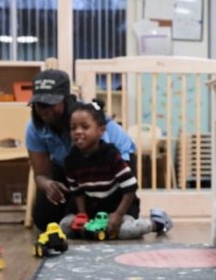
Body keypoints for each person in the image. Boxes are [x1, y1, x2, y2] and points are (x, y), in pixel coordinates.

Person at [25, 69, 135, 231]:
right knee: (45, 220)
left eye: (50, 103)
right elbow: (40, 175)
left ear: (66, 100)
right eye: (39, 104)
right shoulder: (34, 128)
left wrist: (113, 213)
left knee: (106, 216)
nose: (44, 109)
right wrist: (49, 184)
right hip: (72, 167)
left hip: (112, 162)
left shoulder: (83, 119)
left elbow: (99, 166)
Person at [58, 101, 172, 239]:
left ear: (101, 130)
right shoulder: (70, 160)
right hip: (93, 211)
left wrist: (118, 215)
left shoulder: (111, 155)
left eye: (85, 127)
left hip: (119, 208)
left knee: (126, 231)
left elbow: (130, 188)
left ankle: (157, 223)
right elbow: (78, 192)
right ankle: (97, 231)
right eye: (73, 128)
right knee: (64, 226)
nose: (78, 132)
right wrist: (82, 216)